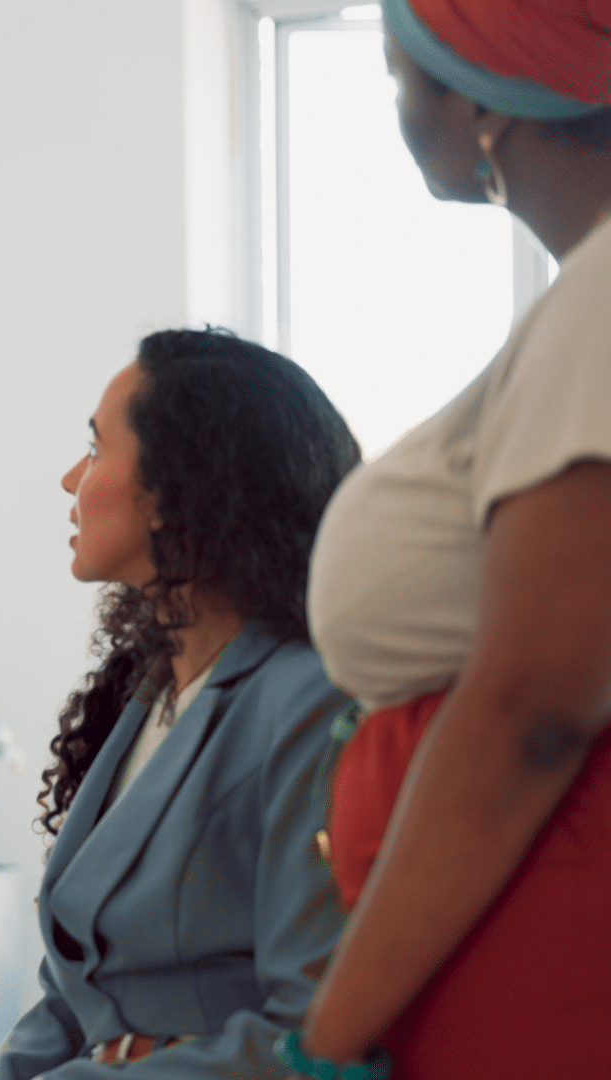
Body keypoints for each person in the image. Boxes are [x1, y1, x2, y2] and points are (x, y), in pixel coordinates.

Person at [297, 2, 611, 1076]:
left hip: (541, 953)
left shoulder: (602, 302)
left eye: (397, 76)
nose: (395, 112)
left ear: (482, 100)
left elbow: (534, 706)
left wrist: (329, 1033)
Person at [0, 330, 361, 1079]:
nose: (70, 480)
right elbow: (72, 996)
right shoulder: (148, 695)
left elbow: (313, 1030)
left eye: (94, 449)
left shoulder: (309, 700)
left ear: (172, 490)